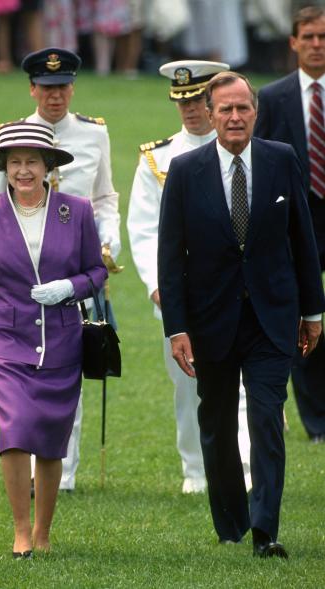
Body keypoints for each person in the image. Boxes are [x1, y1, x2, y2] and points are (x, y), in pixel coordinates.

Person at [158, 71, 325, 558]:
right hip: (211, 323)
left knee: (268, 420)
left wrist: (313, 311)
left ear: (256, 112)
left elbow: (303, 240)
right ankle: (230, 520)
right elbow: (171, 257)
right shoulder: (185, 171)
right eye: (225, 109)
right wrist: (178, 328)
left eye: (243, 108)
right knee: (217, 422)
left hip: (273, 318)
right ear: (209, 115)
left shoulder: (281, 159)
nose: (234, 117)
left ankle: (264, 529)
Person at [0, 121, 107, 557]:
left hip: (62, 339)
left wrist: (69, 288)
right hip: (3, 337)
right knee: (17, 429)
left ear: (48, 167)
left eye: (32, 162)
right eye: (15, 162)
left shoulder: (75, 210)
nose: (23, 170)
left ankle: (43, 533)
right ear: (4, 167)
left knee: (50, 438)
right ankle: (21, 531)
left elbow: (95, 272)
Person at [0, 47, 121, 492]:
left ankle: (64, 473)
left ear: (72, 88)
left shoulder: (94, 133)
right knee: (22, 374)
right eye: (46, 88)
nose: (54, 96)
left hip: (74, 265)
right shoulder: (10, 134)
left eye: (61, 88)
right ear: (32, 89)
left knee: (71, 368)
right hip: (20, 273)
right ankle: (26, 464)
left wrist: (109, 235)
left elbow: (105, 196)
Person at [127, 59, 251, 494]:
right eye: (182, 102)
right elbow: (143, 228)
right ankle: (196, 470)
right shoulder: (158, 158)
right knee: (189, 384)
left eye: (198, 100)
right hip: (182, 292)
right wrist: (157, 286)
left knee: (241, 380)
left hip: (235, 288)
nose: (191, 110)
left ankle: (245, 468)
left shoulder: (246, 149)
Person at [254, 5, 325, 443]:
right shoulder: (274, 97)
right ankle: (317, 421)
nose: (317, 45)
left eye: (324, 37)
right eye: (310, 37)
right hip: (298, 223)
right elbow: (261, 161)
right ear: (294, 42)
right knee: (305, 320)